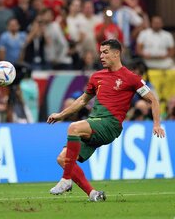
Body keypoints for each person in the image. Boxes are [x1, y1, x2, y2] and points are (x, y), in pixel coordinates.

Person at [47, 39, 165, 202]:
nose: (101, 56)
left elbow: (153, 100)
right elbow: (82, 100)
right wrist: (61, 115)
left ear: (117, 53)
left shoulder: (131, 78)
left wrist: (157, 124)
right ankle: (93, 194)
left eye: (105, 52)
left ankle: (66, 179)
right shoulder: (97, 77)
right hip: (94, 123)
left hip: (110, 124)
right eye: (100, 52)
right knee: (63, 159)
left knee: (74, 128)